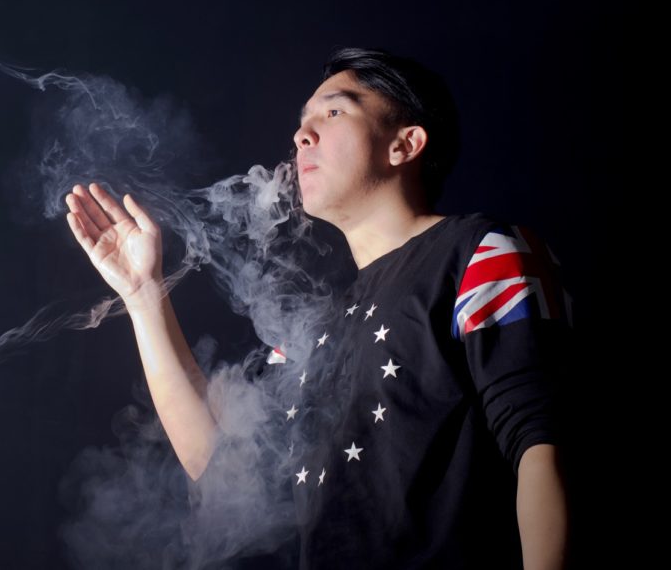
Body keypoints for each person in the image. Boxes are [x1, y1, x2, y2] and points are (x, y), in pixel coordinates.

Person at [63, 47, 570, 569]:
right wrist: (144, 295)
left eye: (333, 112)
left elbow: (543, 447)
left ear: (405, 144)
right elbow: (220, 474)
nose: (302, 136)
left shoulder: (481, 252)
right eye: (301, 123)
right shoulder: (313, 332)